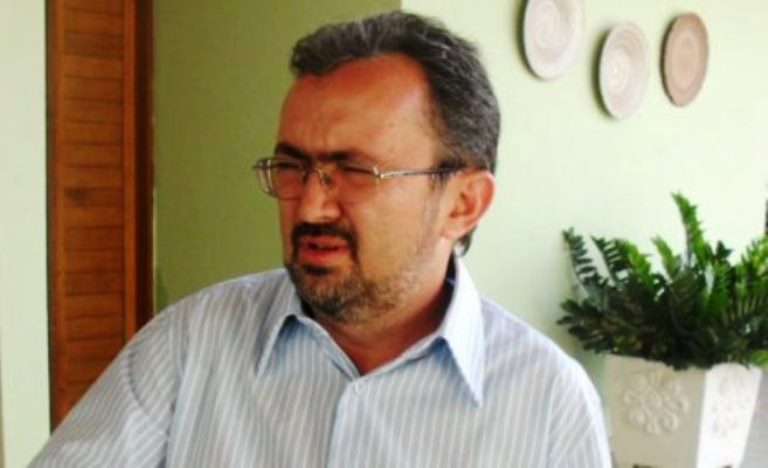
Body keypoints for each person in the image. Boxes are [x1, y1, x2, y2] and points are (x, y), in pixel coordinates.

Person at [32, 11, 610, 467]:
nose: (309, 206)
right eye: (291, 167)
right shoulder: (190, 345)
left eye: (356, 172)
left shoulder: (548, 404)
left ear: (463, 204)